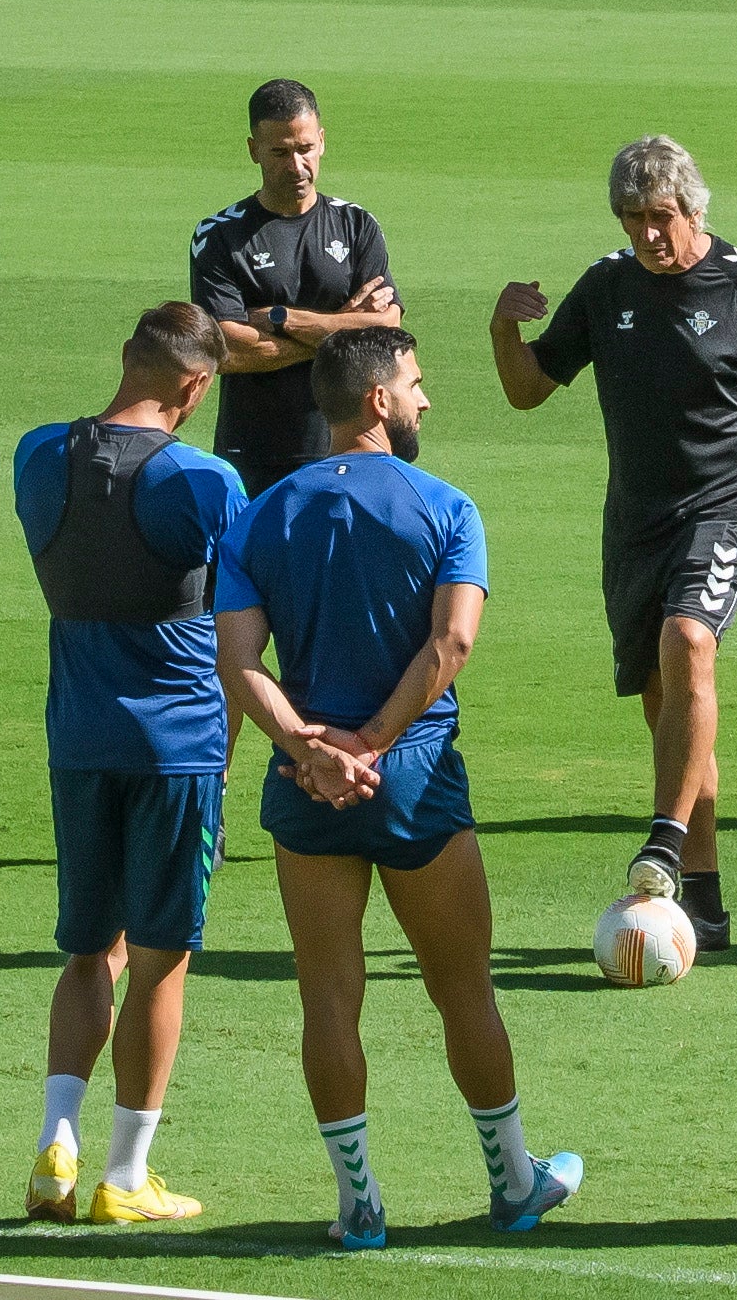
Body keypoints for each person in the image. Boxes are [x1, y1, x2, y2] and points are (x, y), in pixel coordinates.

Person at [219, 327, 583, 1248]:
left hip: (307, 792)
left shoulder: (260, 515)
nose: (425, 401)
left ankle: (358, 1205)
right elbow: (450, 646)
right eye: (416, 385)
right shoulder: (447, 507)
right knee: (465, 992)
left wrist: (314, 748)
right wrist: (375, 746)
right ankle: (512, 1184)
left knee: (328, 1000)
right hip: (415, 782)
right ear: (376, 400)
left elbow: (238, 662)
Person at [491, 134, 737, 954]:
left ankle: (664, 844)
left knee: (690, 642)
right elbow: (530, 390)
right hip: (636, 522)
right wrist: (503, 329)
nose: (648, 234)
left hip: (730, 507)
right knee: (668, 706)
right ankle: (703, 898)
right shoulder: (607, 287)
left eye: (662, 217)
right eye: (633, 218)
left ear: (695, 209)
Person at [16, 303, 253, 1229]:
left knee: (88, 952)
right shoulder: (205, 479)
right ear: (196, 386)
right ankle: (126, 1171)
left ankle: (55, 1144)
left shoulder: (37, 455)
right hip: (177, 747)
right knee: (160, 958)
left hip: (77, 737)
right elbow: (240, 617)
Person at [193, 80, 408, 495]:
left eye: (305, 149)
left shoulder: (357, 226)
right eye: (280, 152)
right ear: (254, 149)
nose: (296, 166)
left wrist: (282, 317)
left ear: (322, 142)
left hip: (353, 446)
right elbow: (228, 349)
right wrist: (345, 326)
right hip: (255, 454)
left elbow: (386, 330)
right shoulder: (220, 237)